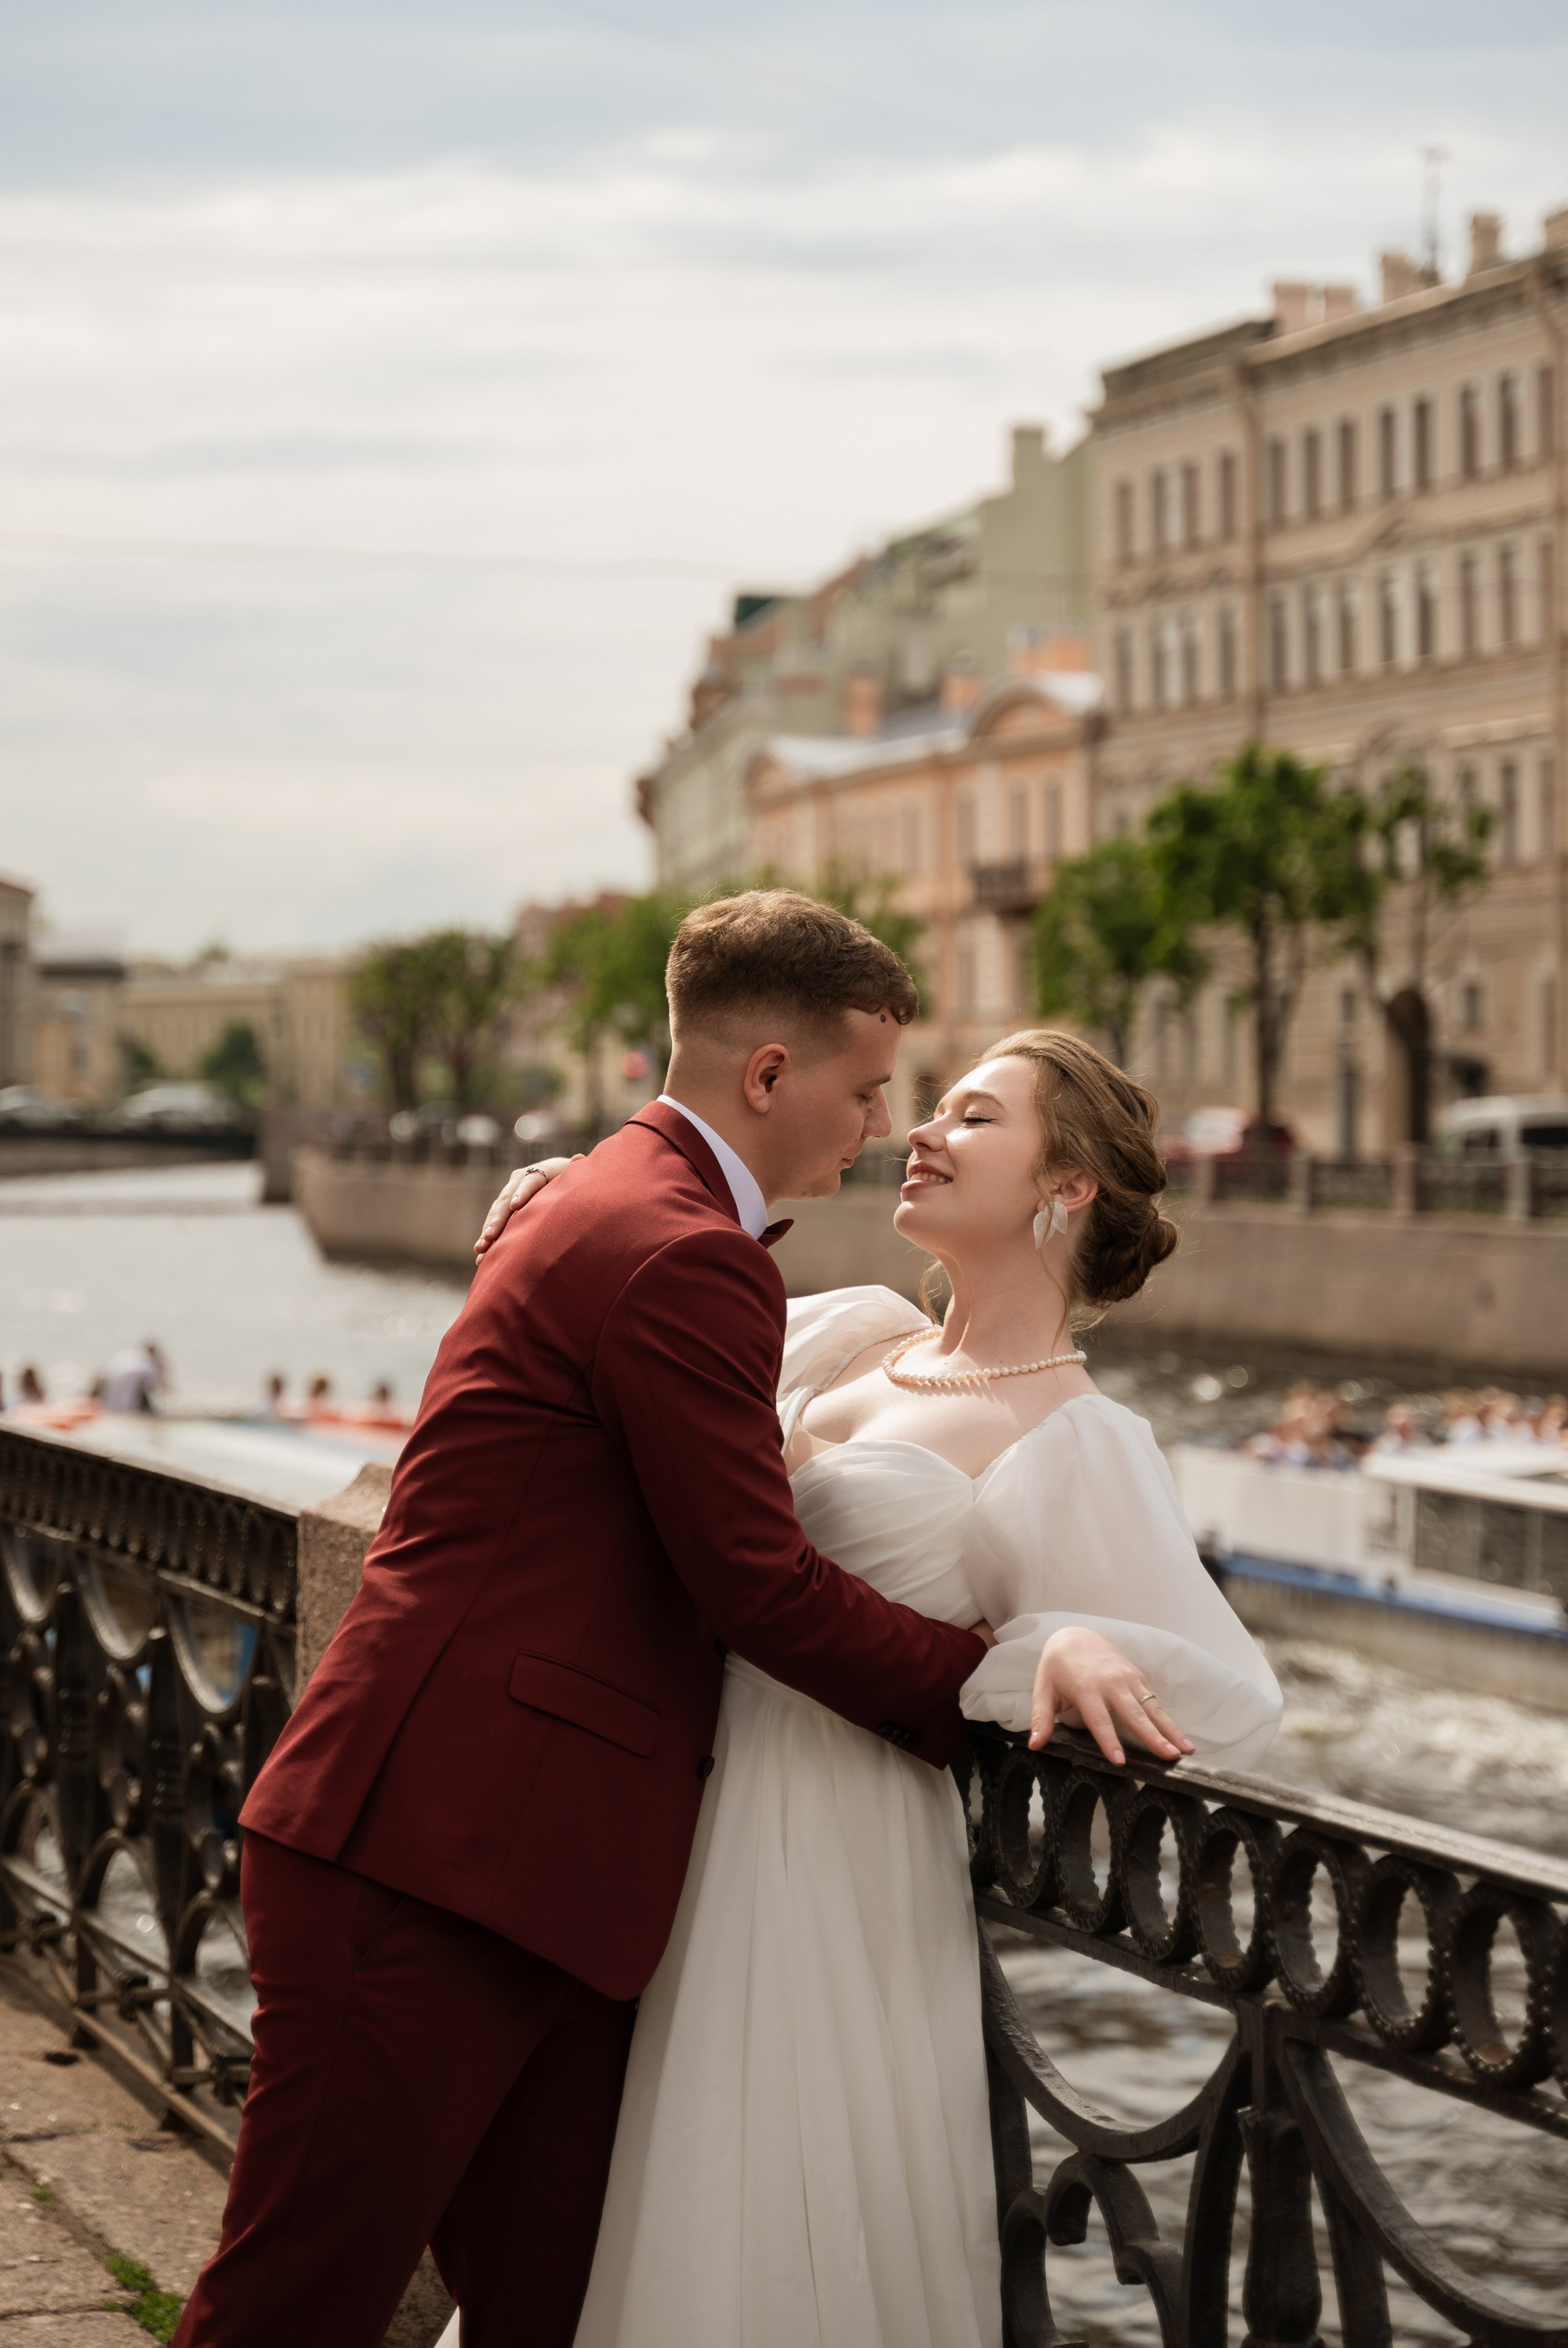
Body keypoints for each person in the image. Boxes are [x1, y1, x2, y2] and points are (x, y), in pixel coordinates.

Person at [175, 893, 1158, 2348]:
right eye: (868, 1087)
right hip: (430, 1858)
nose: (880, 1124)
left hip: (549, 1873)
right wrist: (991, 1678)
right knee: (290, 2304)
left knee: (553, 2315)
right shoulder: (677, 1246)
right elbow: (758, 1584)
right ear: (768, 1074)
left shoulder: (625, 1204)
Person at [469, 1023, 1280, 2347]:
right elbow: (645, 1322)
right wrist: (576, 1198)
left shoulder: (1078, 1434)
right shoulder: (855, 1335)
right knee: (613, 2187)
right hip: (675, 1797)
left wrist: (1064, 1641)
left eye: (974, 1117)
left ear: (1066, 1184)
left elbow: (1224, 1697)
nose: (922, 1131)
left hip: (834, 1833)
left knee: (765, 2194)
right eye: (933, 1107)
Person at [99, 1341, 165, 1414]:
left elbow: (103, 1375)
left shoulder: (126, 1356)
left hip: (107, 1398)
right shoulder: (147, 1363)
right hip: (126, 1406)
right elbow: (161, 1386)